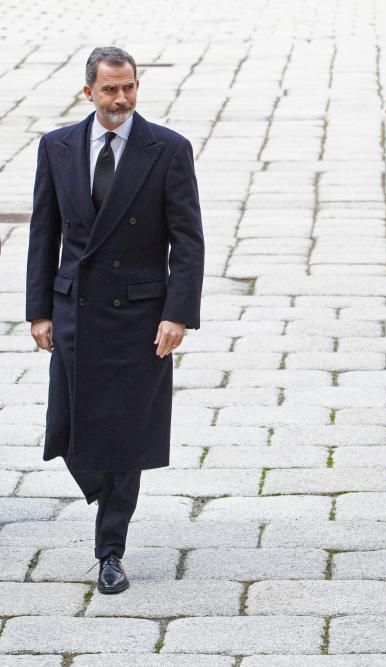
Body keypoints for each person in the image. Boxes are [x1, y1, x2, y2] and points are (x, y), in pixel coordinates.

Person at [25, 46, 205, 594]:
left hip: (139, 318)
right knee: (69, 430)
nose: (121, 98)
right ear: (89, 93)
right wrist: (38, 310)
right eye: (109, 89)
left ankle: (110, 550)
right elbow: (43, 232)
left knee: (125, 436)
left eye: (128, 87)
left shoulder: (167, 149)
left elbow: (188, 239)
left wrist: (178, 314)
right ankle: (98, 484)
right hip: (74, 308)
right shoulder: (56, 147)